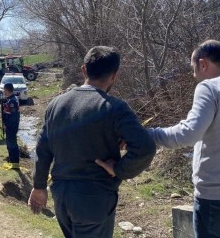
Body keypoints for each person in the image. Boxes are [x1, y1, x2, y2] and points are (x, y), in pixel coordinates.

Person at [28, 46, 156, 238]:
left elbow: (42, 150)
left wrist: (38, 186)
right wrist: (119, 169)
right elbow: (145, 148)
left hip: (62, 196)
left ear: (83, 70)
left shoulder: (55, 105)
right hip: (94, 199)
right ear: (114, 75)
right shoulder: (115, 108)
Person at [148, 40, 220, 238]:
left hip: (214, 198)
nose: (193, 74)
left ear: (203, 64)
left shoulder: (210, 88)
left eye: (193, 68)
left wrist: (151, 135)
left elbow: (188, 134)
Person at [2, 83, 20, 169]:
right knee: (9, 144)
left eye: (4, 90)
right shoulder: (10, 99)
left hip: (11, 127)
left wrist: (7, 125)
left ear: (7, 90)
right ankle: (12, 161)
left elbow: (13, 117)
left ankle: (15, 163)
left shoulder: (12, 101)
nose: (3, 91)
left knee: (12, 144)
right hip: (9, 126)